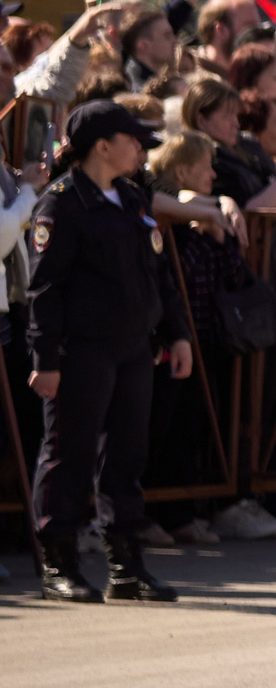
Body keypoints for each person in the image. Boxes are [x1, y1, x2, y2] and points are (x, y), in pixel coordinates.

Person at [25, 102, 192, 602]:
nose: (142, 150)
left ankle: (127, 566)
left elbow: (158, 272)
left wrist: (176, 332)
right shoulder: (62, 204)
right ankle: (60, 564)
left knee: (126, 455)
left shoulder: (133, 197)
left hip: (133, 347)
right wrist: (45, 360)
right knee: (68, 455)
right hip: (82, 349)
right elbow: (44, 290)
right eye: (132, 140)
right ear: (102, 145)